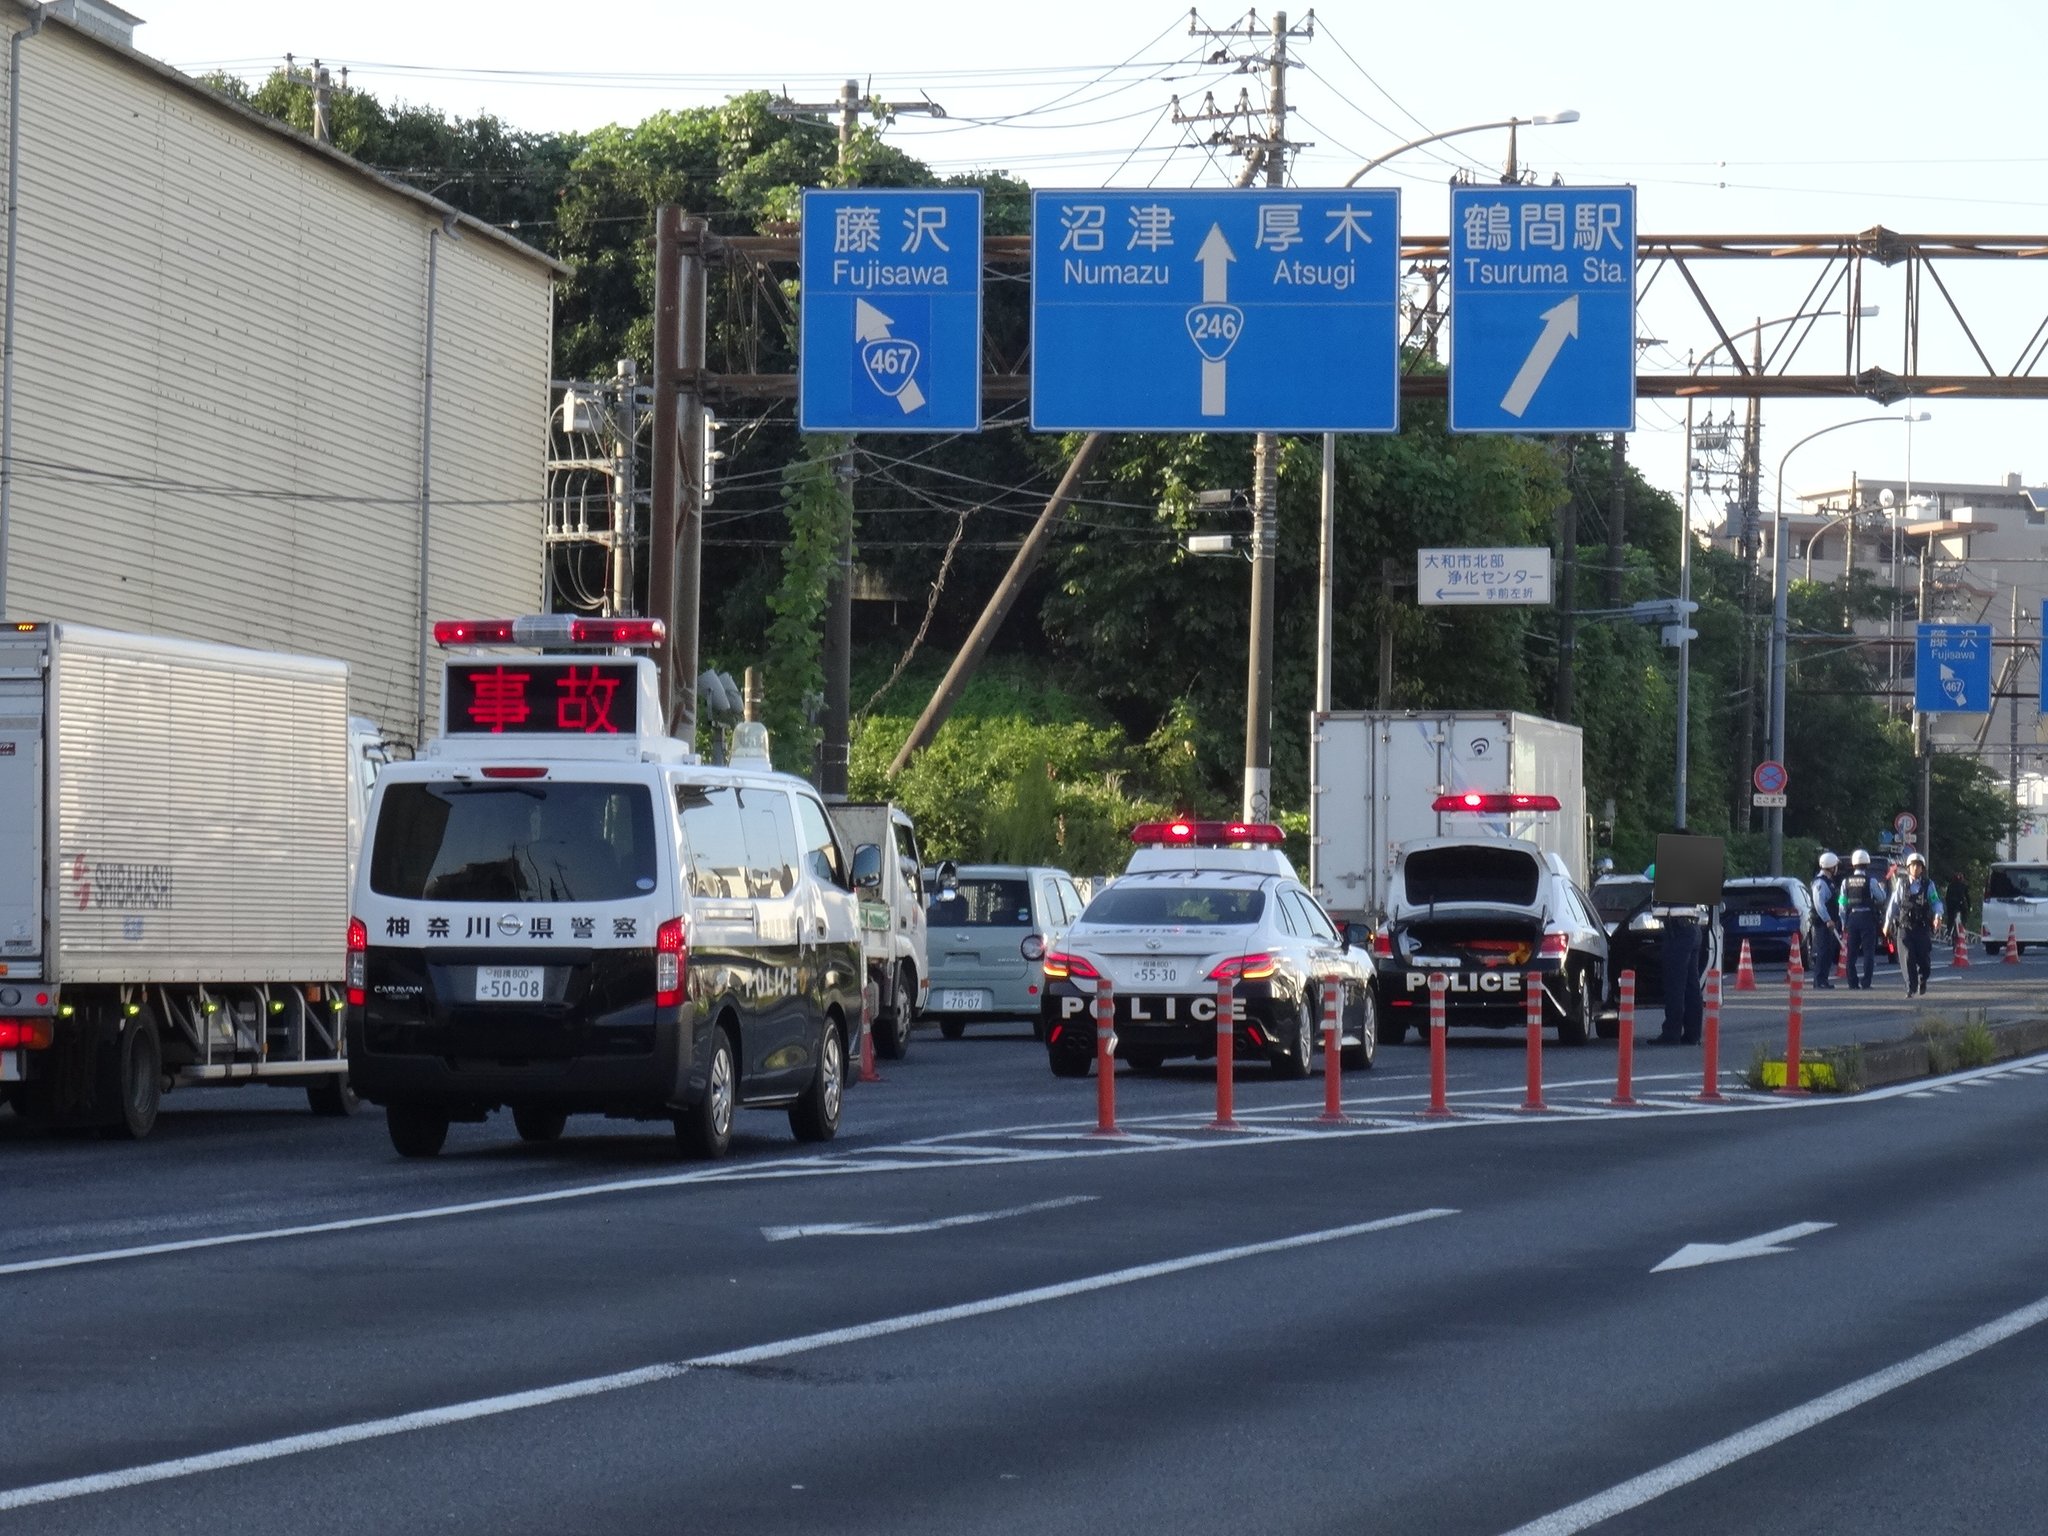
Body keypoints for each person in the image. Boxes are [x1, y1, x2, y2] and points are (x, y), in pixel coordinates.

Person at [1886, 852, 1944, 997]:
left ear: (1922, 869)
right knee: (1907, 957)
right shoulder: (1902, 883)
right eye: (1913, 865)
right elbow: (1893, 903)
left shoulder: (1928, 885)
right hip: (1905, 926)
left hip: (1921, 927)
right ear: (1908, 868)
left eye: (1919, 866)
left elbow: (1935, 902)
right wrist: (1887, 923)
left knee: (1924, 959)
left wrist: (1938, 916)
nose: (1916, 868)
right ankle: (1910, 987)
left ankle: (1923, 978)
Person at [1837, 849, 1885, 990]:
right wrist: (1881, 889)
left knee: (1851, 952)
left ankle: (1852, 982)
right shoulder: (1871, 881)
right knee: (1868, 952)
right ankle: (1866, 982)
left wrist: (1844, 922)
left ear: (1853, 864)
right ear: (1867, 864)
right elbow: (1881, 898)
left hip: (1852, 918)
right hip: (1867, 919)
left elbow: (1842, 903)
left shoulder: (1846, 882)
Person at [1809, 851, 1843, 989]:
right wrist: (1827, 919)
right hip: (1823, 923)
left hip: (1830, 923)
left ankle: (1824, 979)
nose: (1837, 868)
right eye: (1835, 866)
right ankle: (1819, 980)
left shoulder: (1830, 882)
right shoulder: (1820, 883)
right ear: (1830, 867)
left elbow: (1836, 900)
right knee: (1823, 951)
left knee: (1828, 951)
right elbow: (1819, 904)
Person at [1942, 870, 1969, 940]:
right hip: (1961, 905)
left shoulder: (1950, 885)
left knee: (1950, 918)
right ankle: (1963, 928)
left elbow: (1947, 897)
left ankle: (1948, 932)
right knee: (1964, 916)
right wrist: (1969, 906)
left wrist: (1948, 904)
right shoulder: (1964, 886)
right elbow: (1967, 897)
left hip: (1951, 905)